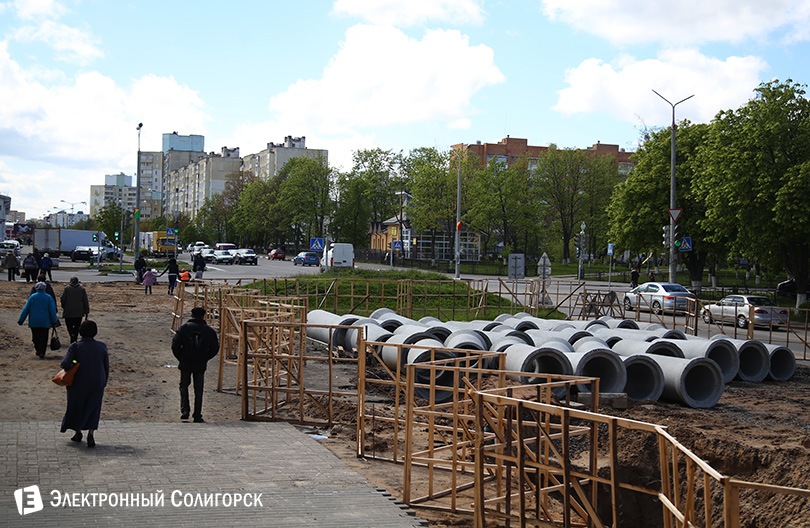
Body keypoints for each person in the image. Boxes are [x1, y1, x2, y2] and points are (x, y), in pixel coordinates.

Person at [59, 320, 109, 448]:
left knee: (77, 405)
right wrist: (104, 381)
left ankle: (78, 432)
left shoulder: (75, 346)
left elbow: (65, 363)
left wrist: (75, 362)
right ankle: (91, 434)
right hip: (97, 380)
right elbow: (106, 366)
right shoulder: (102, 346)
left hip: (79, 381)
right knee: (94, 407)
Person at [172, 307, 219, 423]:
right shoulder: (209, 331)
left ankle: (185, 410)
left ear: (192, 315)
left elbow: (175, 345)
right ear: (203, 316)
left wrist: (181, 357)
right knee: (199, 389)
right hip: (200, 363)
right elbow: (215, 348)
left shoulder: (184, 328)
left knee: (183, 386)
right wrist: (205, 357)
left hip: (185, 362)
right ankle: (197, 414)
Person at [17, 282, 59, 358]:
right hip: (45, 322)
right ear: (45, 288)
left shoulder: (32, 297)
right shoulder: (49, 297)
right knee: (44, 337)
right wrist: (54, 321)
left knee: (35, 337)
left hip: (34, 321)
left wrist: (21, 320)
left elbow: (26, 309)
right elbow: (52, 311)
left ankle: (38, 350)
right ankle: (42, 352)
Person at [61, 276, 90, 344]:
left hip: (68, 311)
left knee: (69, 325)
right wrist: (86, 311)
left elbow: (63, 299)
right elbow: (85, 301)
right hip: (79, 311)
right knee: (77, 326)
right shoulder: (82, 289)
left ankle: (72, 335)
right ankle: (75, 337)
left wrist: (64, 306)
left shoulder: (67, 288)